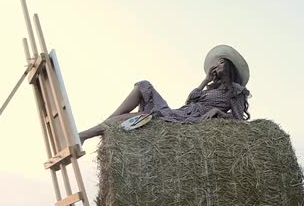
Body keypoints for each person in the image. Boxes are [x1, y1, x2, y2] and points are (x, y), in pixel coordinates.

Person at [79, 45, 251, 144]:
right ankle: (103, 127)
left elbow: (239, 121)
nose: (216, 66)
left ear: (229, 67)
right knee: (143, 86)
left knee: (143, 115)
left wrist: (218, 112)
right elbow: (189, 100)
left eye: (221, 62)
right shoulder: (210, 89)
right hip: (180, 113)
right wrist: (205, 80)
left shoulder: (236, 91)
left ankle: (88, 134)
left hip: (189, 123)